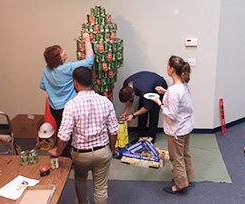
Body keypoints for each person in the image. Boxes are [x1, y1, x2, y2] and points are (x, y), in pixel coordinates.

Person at [49, 67, 118, 204]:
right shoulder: (105, 101)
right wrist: (111, 149)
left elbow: (64, 135)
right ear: (91, 81)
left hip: (81, 155)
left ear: (75, 83)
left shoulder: (71, 105)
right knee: (101, 189)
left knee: (80, 179)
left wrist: (57, 151)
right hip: (102, 151)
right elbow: (114, 130)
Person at [40, 32, 94, 157]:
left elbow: (42, 86)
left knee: (62, 130)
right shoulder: (67, 68)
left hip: (54, 107)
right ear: (58, 58)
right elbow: (89, 61)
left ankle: (64, 156)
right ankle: (72, 157)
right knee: (74, 132)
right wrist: (87, 40)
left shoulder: (46, 69)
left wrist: (54, 88)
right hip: (68, 107)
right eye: (62, 52)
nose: (65, 52)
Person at [150, 55, 194, 194]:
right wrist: (165, 92)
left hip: (177, 130)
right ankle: (188, 178)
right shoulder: (182, 86)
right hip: (186, 127)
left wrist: (159, 103)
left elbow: (172, 114)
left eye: (167, 66)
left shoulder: (174, 91)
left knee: (176, 158)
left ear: (172, 69)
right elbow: (179, 101)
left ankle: (180, 185)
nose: (166, 68)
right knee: (186, 154)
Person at [119, 71, 168, 143]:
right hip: (146, 84)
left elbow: (147, 107)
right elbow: (129, 101)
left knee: (153, 111)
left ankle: (151, 137)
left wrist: (133, 115)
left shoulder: (144, 90)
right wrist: (124, 113)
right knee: (141, 110)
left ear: (133, 94)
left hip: (159, 86)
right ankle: (141, 136)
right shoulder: (126, 84)